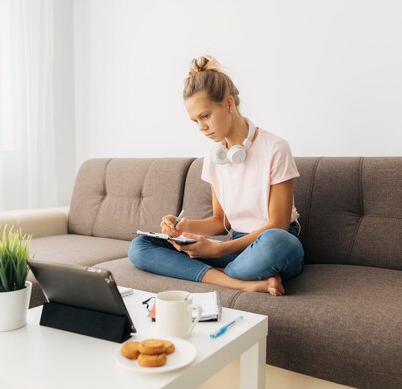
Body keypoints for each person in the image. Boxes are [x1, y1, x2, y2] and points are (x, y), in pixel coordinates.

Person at [128, 55, 304, 296]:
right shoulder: (214, 157)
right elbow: (221, 221)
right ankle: (243, 281)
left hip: (271, 243)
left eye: (205, 116)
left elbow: (279, 225)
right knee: (140, 247)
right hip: (236, 244)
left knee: (278, 242)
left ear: (229, 104)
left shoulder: (276, 148)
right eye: (195, 121)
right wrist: (184, 227)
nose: (201, 127)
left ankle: (221, 275)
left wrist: (216, 251)